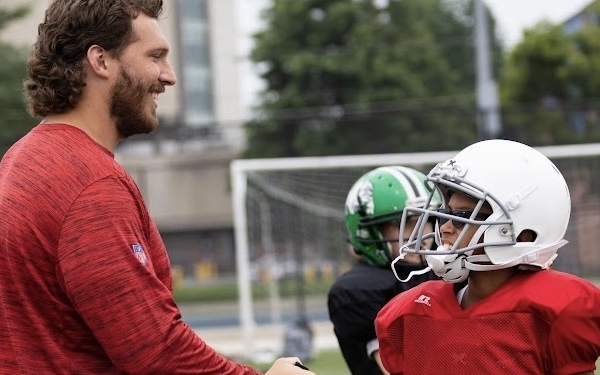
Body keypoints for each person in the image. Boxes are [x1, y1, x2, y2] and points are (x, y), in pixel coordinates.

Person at [0, 1, 314, 374]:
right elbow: (154, 353)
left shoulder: (19, 159)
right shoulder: (91, 185)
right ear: (100, 61)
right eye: (155, 56)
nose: (169, 76)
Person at [375, 139, 600, 375]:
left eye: (463, 216)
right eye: (446, 214)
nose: (445, 228)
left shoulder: (556, 310)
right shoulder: (410, 314)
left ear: (522, 233)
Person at [327, 166, 442, 375]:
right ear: (369, 232)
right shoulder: (360, 291)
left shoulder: (442, 270)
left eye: (426, 220)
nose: (420, 233)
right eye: (404, 222)